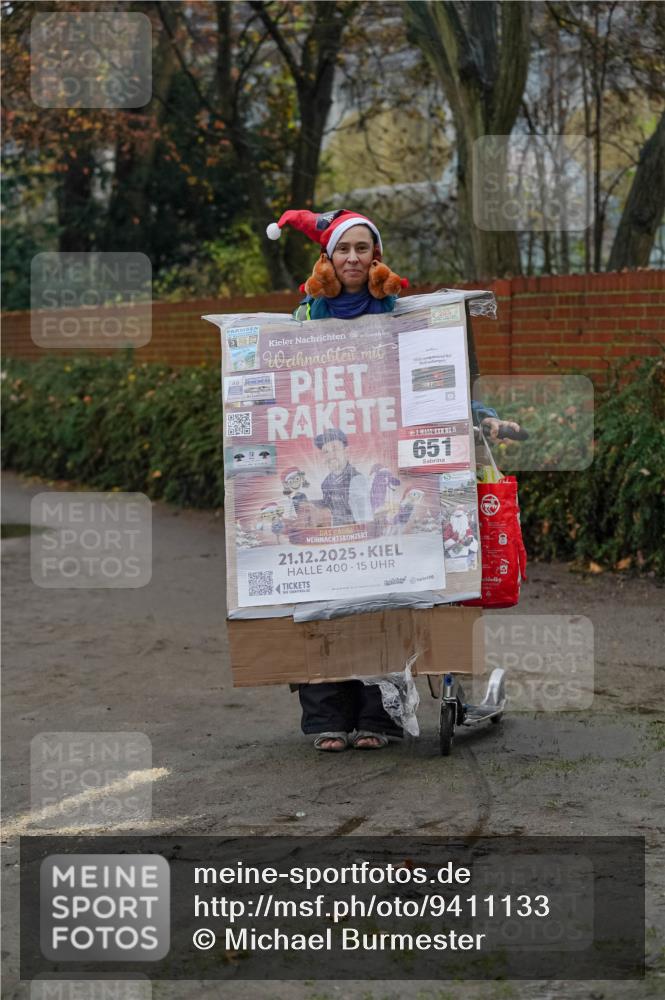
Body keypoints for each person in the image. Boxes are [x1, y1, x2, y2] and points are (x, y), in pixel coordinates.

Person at [266, 208, 519, 751]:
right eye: (343, 250)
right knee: (323, 595)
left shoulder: (404, 317)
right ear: (327, 259)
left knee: (384, 593)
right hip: (331, 484)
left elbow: (436, 377)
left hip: (383, 474)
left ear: (375, 257)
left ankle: (379, 718)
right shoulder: (302, 323)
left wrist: (483, 413)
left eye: (363, 248)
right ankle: (327, 718)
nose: (353, 257)